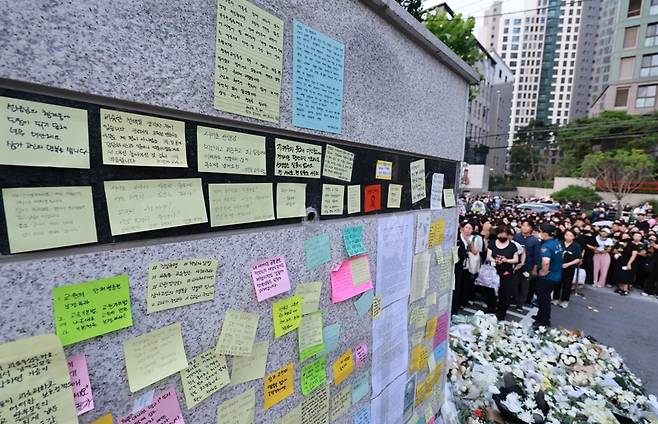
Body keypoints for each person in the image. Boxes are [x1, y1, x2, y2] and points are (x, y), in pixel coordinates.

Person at [533, 223, 563, 328]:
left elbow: (546, 262)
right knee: (543, 298)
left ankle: (544, 320)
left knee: (543, 299)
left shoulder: (546, 246)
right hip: (556, 274)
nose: (539, 233)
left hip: (548, 277)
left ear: (545, 234)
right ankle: (540, 315)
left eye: (540, 232)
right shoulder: (556, 242)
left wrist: (543, 272)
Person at [486, 226, 519, 321]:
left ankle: (502, 312)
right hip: (493, 271)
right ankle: (491, 308)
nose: (502, 237)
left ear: (508, 236)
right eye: (500, 235)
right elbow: (488, 256)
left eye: (505, 235)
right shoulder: (492, 243)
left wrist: (506, 260)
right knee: (490, 290)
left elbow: (516, 259)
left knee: (504, 293)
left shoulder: (512, 246)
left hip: (506, 272)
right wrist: (495, 260)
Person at [513, 219, 540, 309]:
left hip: (528, 266)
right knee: (514, 283)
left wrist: (535, 268)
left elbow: (537, 256)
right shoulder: (516, 237)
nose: (524, 228)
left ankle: (520, 304)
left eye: (527, 226)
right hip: (516, 264)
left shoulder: (535, 240)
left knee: (525, 285)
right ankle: (515, 299)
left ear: (531, 228)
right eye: (523, 225)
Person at [552, 229, 582, 308]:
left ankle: (565, 300)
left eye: (571, 235)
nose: (568, 237)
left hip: (569, 268)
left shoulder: (577, 246)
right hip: (558, 267)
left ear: (574, 237)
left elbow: (578, 258)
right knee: (557, 283)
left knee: (567, 285)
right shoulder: (559, 243)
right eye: (566, 235)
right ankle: (556, 298)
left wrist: (568, 264)